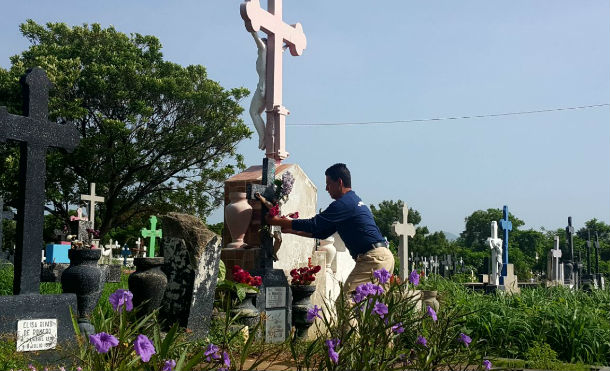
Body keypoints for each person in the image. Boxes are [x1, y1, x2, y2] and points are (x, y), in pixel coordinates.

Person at [265, 163, 395, 294]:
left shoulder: (343, 204)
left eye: (328, 183)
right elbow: (322, 232)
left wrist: (278, 221)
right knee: (373, 307)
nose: (326, 188)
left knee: (347, 304)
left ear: (339, 182)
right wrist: (291, 229)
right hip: (383, 256)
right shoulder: (352, 200)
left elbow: (314, 224)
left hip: (373, 258)